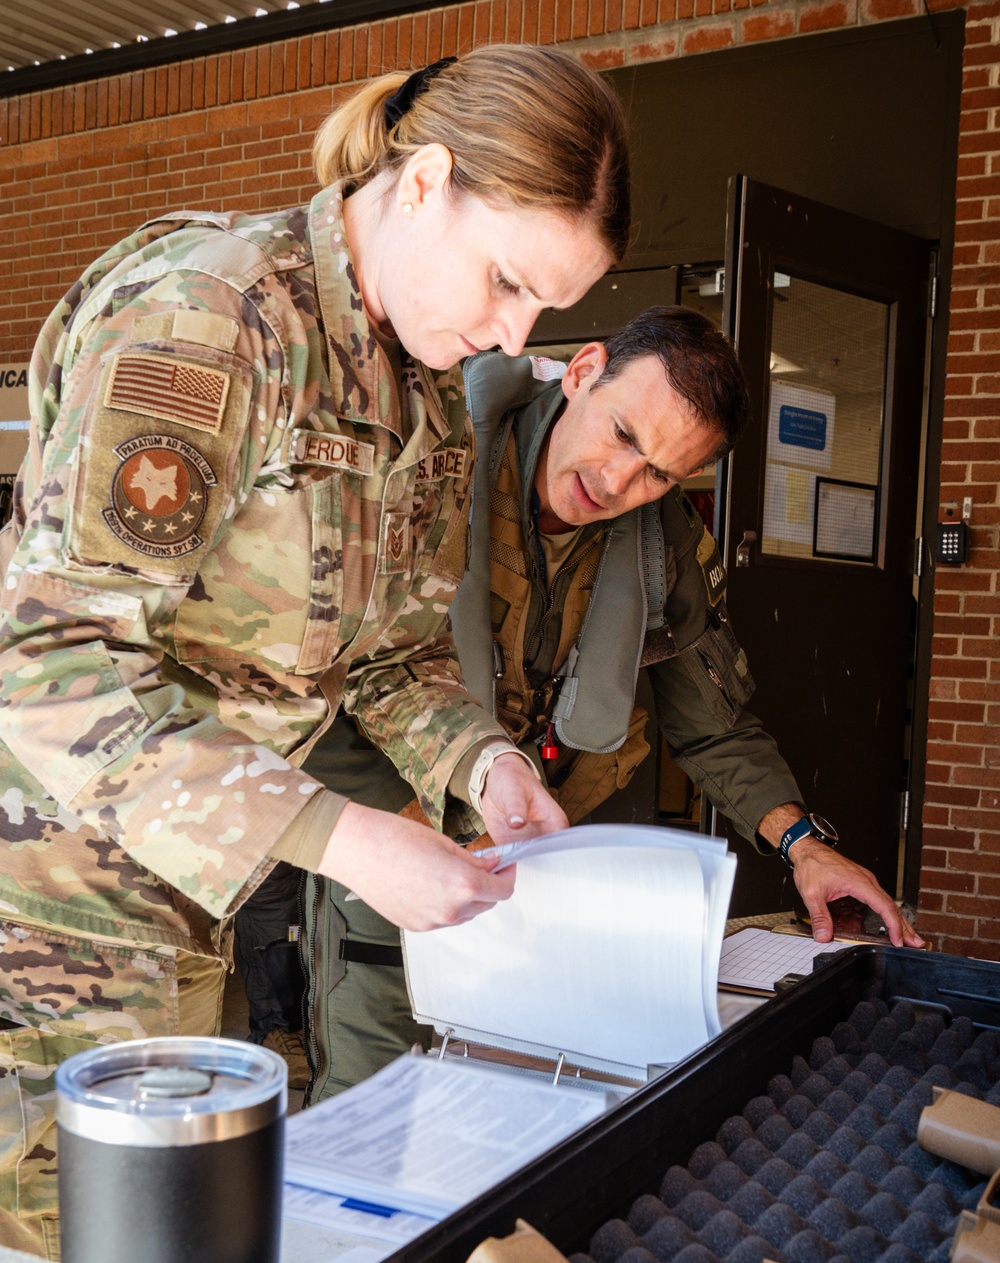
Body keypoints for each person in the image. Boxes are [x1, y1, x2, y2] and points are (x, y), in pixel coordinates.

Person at [0, 44, 631, 1258]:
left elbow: (393, 655)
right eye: (506, 280)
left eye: (544, 307)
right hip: (45, 912)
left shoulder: (422, 383)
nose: (515, 329)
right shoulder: (212, 318)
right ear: (424, 181)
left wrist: (481, 766)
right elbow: (49, 659)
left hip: (180, 901)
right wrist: (342, 840)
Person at [278, 304, 921, 1102]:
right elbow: (318, 689)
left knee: (523, 1112)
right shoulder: (426, 467)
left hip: (542, 881)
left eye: (657, 471)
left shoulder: (664, 542)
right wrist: (403, 836)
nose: (619, 483)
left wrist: (802, 844)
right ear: (582, 372)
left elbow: (711, 724)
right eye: (622, 434)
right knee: (374, 1116)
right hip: (389, 858)